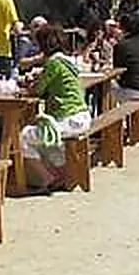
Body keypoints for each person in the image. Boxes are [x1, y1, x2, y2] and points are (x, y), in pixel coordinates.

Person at [20, 26, 89, 190]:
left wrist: (27, 86)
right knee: (49, 138)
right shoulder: (67, 61)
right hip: (80, 116)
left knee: (23, 136)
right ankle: (61, 175)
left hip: (69, 118)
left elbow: (37, 91)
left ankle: (48, 178)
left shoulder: (54, 63)